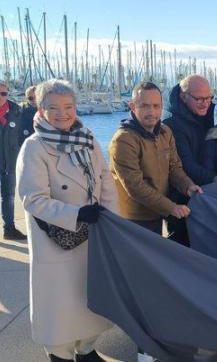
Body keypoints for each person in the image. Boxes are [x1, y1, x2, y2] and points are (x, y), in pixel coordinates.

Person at [16, 79, 119, 362]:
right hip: (55, 237)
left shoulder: (87, 138)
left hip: (93, 233)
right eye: (54, 108)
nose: (63, 113)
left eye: (69, 106)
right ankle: (59, 353)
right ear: (41, 108)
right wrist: (74, 214)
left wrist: (113, 219)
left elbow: (105, 179)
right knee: (59, 303)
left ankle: (86, 347)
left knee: (89, 296)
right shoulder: (34, 146)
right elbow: (32, 198)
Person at [109, 81, 202, 235]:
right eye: (144, 106)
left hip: (158, 212)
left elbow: (174, 168)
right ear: (133, 107)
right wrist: (171, 207)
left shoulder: (165, 132)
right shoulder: (123, 140)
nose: (151, 111)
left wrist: (188, 186)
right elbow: (135, 186)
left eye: (156, 106)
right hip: (133, 218)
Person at [163, 74, 217, 246]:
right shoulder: (172, 124)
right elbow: (186, 164)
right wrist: (214, 178)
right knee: (181, 246)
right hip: (180, 198)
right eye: (199, 99)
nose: (205, 103)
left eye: (208, 98)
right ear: (183, 97)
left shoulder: (203, 115)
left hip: (202, 194)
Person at [0, 81, 26, 240]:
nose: (1, 97)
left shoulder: (16, 111)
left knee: (9, 197)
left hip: (10, 162)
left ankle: (9, 229)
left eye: (4, 93)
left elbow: (22, 136)